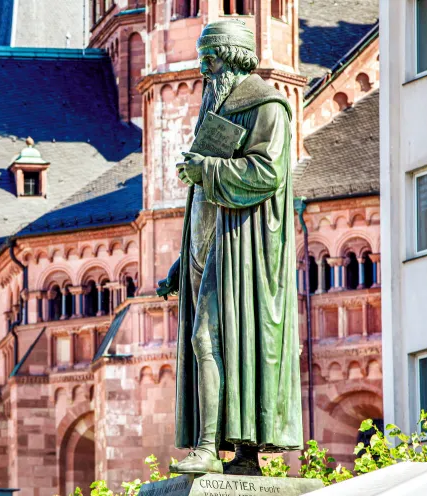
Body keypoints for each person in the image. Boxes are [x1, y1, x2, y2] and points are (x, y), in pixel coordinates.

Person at [157, 19, 302, 475]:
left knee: (209, 338)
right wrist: (182, 261)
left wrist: (207, 169)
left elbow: (267, 173)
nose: (203, 70)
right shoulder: (215, 107)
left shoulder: (267, 106)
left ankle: (208, 449)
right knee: (220, 343)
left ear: (233, 57)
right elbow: (204, 206)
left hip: (246, 251)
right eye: (203, 60)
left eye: (210, 59)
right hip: (211, 247)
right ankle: (241, 456)